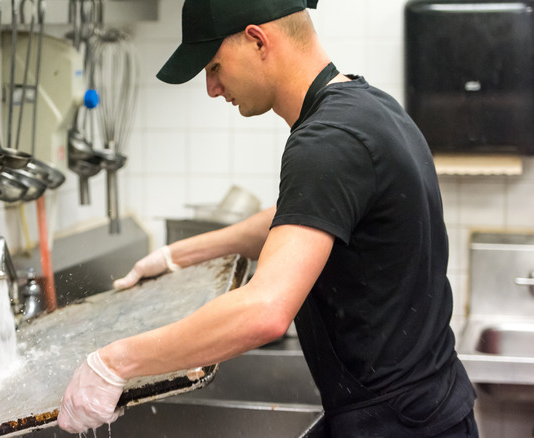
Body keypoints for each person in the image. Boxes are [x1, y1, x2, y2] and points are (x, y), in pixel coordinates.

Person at [57, 0, 478, 436]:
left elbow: (265, 312)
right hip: (426, 407)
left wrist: (113, 363)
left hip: (398, 424)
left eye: (214, 66)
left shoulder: (326, 141)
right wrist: (175, 255)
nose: (212, 88)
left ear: (258, 40)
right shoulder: (366, 106)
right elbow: (301, 217)